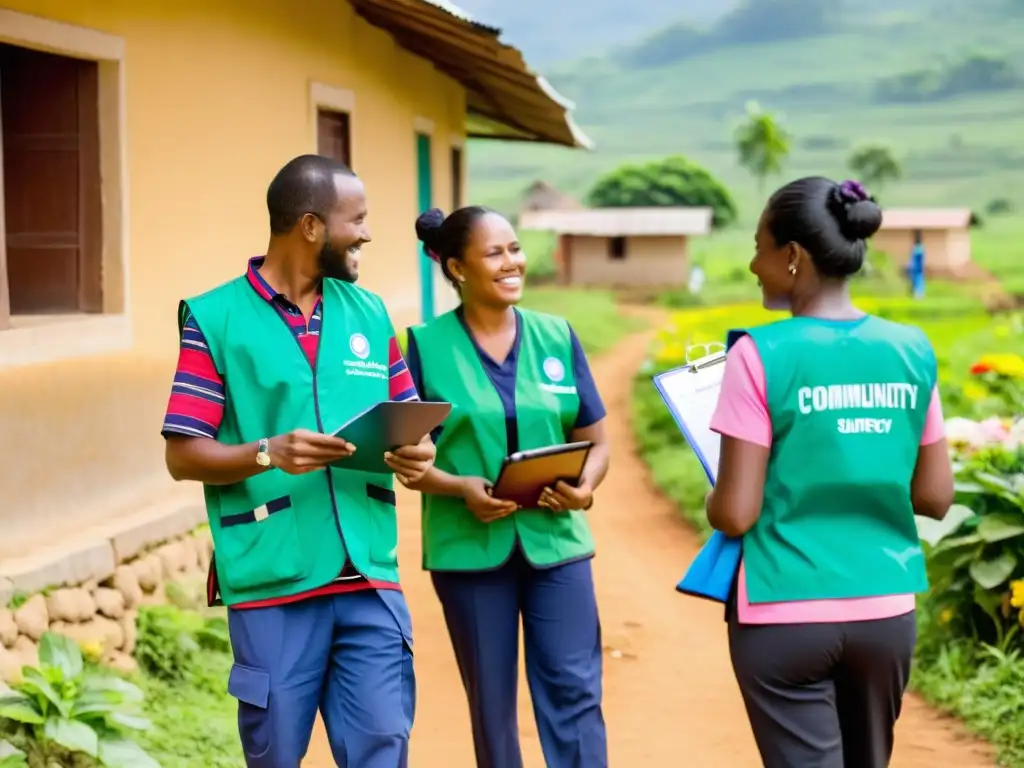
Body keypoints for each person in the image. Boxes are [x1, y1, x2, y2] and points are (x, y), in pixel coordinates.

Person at [161, 154, 435, 768]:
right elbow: (183, 453)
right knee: (276, 754)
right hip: (273, 580)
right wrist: (268, 452)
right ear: (311, 226)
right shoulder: (214, 317)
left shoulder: (369, 313)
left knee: (383, 746)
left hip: (368, 574)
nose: (365, 232)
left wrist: (419, 451)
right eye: (356, 219)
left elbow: (408, 413)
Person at [703, 177, 954, 768]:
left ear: (792, 256)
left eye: (760, 246)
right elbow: (936, 496)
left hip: (784, 612)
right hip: (885, 614)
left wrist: (714, 495)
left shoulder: (758, 354)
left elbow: (736, 512)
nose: (752, 263)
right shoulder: (912, 348)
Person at [403, 206, 611, 768]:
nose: (512, 262)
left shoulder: (556, 335)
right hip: (468, 549)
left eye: (515, 249)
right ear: (456, 267)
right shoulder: (421, 347)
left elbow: (597, 439)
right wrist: (459, 485)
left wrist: (585, 487)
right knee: (492, 703)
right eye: (494, 253)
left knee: (575, 689)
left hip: (558, 542)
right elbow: (405, 459)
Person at [908, 229, 926, 299]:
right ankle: (917, 293)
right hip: (916, 266)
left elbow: (917, 259)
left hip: (917, 267)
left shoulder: (918, 247)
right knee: (917, 280)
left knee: (917, 280)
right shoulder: (918, 247)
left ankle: (917, 294)